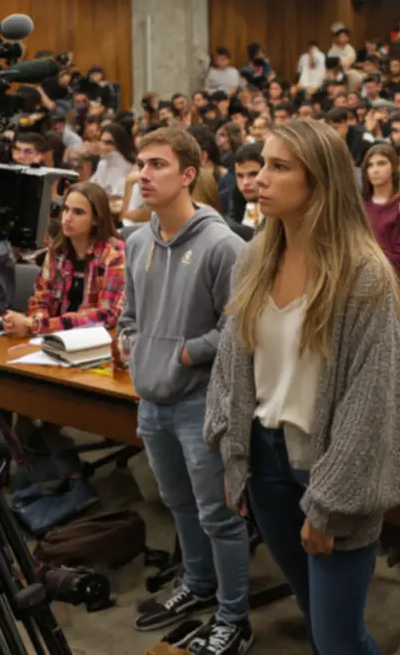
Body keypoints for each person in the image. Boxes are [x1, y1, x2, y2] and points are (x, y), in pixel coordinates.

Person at [204, 119, 400, 655]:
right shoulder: (256, 255)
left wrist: (329, 506)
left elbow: (370, 403)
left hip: (328, 467)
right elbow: (233, 362)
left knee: (338, 636)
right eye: (262, 166)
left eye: (280, 167)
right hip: (266, 460)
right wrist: (234, 454)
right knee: (312, 610)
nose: (260, 180)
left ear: (319, 181)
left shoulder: (362, 273)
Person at [118, 128, 251, 651]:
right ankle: (197, 585)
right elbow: (129, 314)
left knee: (219, 515)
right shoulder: (137, 241)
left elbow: (241, 328)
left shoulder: (223, 245)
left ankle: (234, 617)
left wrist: (186, 352)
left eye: (156, 165)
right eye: (140, 164)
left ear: (188, 174)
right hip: (152, 400)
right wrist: (135, 345)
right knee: (176, 502)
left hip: (199, 402)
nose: (143, 175)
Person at [2, 181, 126, 335]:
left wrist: (36, 325)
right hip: (54, 340)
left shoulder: (114, 254)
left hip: (96, 344)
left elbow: (106, 316)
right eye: (65, 209)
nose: (67, 218)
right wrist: (34, 322)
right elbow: (41, 300)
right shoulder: (57, 250)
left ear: (95, 219)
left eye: (78, 212)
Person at [362, 143, 400, 278]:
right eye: (370, 165)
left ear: (393, 168)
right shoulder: (359, 206)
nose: (375, 170)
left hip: (389, 278)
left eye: (381, 164)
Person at [92, 122, 136, 213]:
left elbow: (119, 197)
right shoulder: (102, 164)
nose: (103, 146)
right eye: (102, 141)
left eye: (109, 143)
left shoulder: (127, 166)